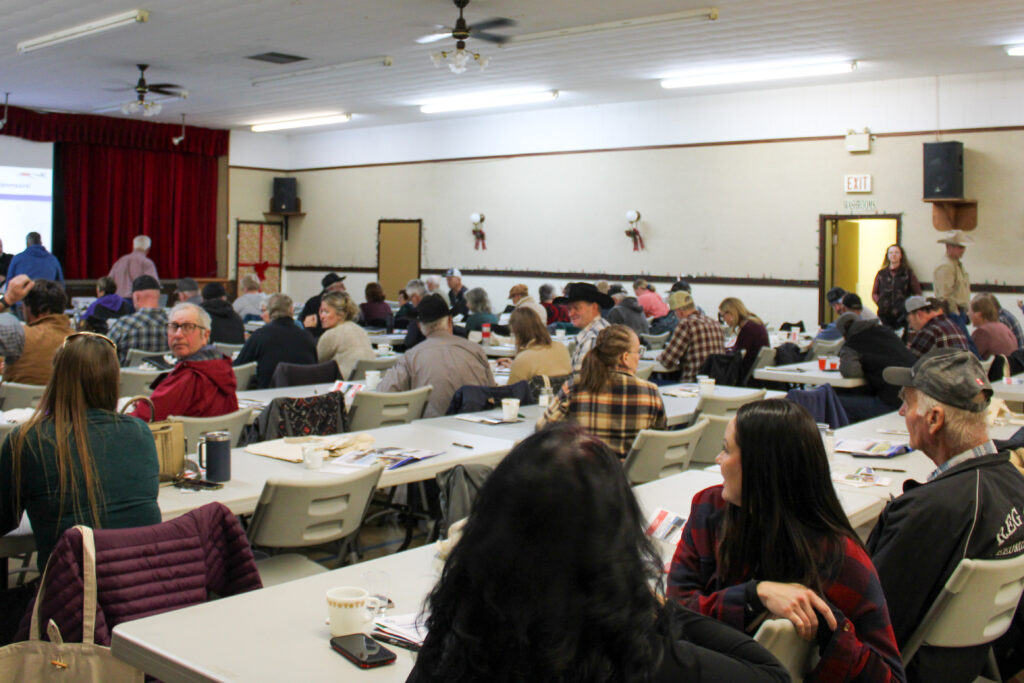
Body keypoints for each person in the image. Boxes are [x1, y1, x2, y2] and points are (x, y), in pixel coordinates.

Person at [409, 423, 789, 683]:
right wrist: (649, 602)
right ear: (618, 544)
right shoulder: (640, 659)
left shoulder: (462, 631)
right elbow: (771, 675)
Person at [668, 399, 906, 682]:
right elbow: (674, 613)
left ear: (762, 468)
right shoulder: (709, 509)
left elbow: (890, 677)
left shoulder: (840, 558)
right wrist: (757, 595)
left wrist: (830, 627)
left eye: (727, 449)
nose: (718, 460)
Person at [870, 350, 1024, 682]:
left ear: (934, 419)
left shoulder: (927, 511)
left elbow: (873, 617)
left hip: (912, 668)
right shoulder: (1015, 485)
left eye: (907, 404)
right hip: (972, 662)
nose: (901, 413)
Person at [0, 332, 160, 572]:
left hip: (71, 597)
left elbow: (4, 520)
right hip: (142, 587)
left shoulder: (27, 441)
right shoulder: (140, 432)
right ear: (113, 380)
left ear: (56, 378)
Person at [538, 324, 666, 457]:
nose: (639, 356)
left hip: (583, 473)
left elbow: (542, 428)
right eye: (638, 351)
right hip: (627, 474)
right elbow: (659, 439)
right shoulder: (650, 392)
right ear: (625, 357)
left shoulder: (575, 387)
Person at [377, 293, 493, 418]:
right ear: (450, 321)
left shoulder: (411, 357)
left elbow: (384, 394)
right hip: (475, 431)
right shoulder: (476, 350)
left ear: (419, 326)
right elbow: (492, 393)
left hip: (431, 431)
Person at [130, 303, 238, 421]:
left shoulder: (188, 377)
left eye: (188, 327)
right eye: (174, 327)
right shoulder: (221, 366)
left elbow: (141, 420)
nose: (178, 334)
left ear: (205, 335)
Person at [836, 312, 918, 422]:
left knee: (835, 402)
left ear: (843, 334)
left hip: (891, 402)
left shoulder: (852, 343)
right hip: (914, 398)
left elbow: (851, 372)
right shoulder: (887, 332)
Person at [0, 277, 74, 385]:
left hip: (17, 401)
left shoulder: (18, 337)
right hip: (61, 401)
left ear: (38, 309)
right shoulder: (80, 342)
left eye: (23, 305)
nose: (21, 309)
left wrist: (7, 299)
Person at [234, 294, 317, 389]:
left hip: (268, 396)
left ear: (270, 312)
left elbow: (238, 367)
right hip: (302, 397)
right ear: (292, 310)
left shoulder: (260, 336)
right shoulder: (307, 337)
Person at [657, 291, 725, 382]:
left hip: (692, 382)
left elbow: (668, 361)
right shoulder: (715, 323)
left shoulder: (686, 324)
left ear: (679, 311)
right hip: (715, 382)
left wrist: (660, 357)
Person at [107, 275, 170, 366]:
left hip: (127, 379)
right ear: (159, 296)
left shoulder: (123, 325)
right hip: (166, 379)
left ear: (136, 297)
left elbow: (104, 356)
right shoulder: (175, 326)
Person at [502, 307, 572, 384]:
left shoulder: (524, 359)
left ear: (517, 332)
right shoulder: (561, 347)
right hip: (563, 395)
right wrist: (515, 366)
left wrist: (517, 366)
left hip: (534, 395)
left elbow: (512, 392)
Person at [317, 290, 375, 379]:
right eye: (321, 311)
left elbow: (315, 362)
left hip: (343, 385)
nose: (321, 316)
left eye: (326, 312)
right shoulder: (361, 330)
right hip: (366, 382)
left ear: (340, 314)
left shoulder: (332, 335)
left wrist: (309, 330)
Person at [565, 282, 613, 372]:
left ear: (594, 307)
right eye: (569, 309)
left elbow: (579, 381)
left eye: (576, 308)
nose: (571, 314)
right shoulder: (605, 327)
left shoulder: (592, 339)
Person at [872, 243, 921, 330]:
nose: (893, 255)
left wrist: (909, 307)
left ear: (901, 255)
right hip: (884, 314)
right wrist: (880, 303)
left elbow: (917, 293)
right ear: (887, 256)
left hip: (902, 314)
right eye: (891, 253)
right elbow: (874, 293)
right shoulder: (881, 274)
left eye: (896, 252)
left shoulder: (908, 273)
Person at [719, 297, 769, 381]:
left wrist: (723, 351)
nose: (723, 319)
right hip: (755, 372)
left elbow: (738, 355)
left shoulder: (748, 328)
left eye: (723, 316)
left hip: (747, 375)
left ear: (730, 313)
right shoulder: (755, 322)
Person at [905, 295, 969, 357]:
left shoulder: (930, 330)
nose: (910, 326)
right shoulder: (953, 325)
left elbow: (910, 363)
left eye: (910, 321)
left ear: (919, 314)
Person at [933, 231, 971, 327]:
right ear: (949, 247)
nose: (963, 250)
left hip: (960, 311)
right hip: (952, 313)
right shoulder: (946, 266)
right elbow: (945, 295)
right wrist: (955, 314)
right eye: (960, 247)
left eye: (963, 247)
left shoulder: (956, 264)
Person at [968, 292, 1017, 358]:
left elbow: (970, 357)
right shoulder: (1004, 327)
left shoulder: (982, 332)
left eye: (970, 311)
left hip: (994, 367)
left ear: (978, 314)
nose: (968, 314)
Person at [300, 273, 346, 339]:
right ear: (332, 288)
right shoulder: (338, 303)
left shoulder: (312, 301)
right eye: (341, 286)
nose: (345, 288)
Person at [401, 278, 429, 350]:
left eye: (410, 298)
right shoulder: (438, 305)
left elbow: (410, 341)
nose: (411, 302)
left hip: (420, 353)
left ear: (415, 297)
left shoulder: (417, 312)